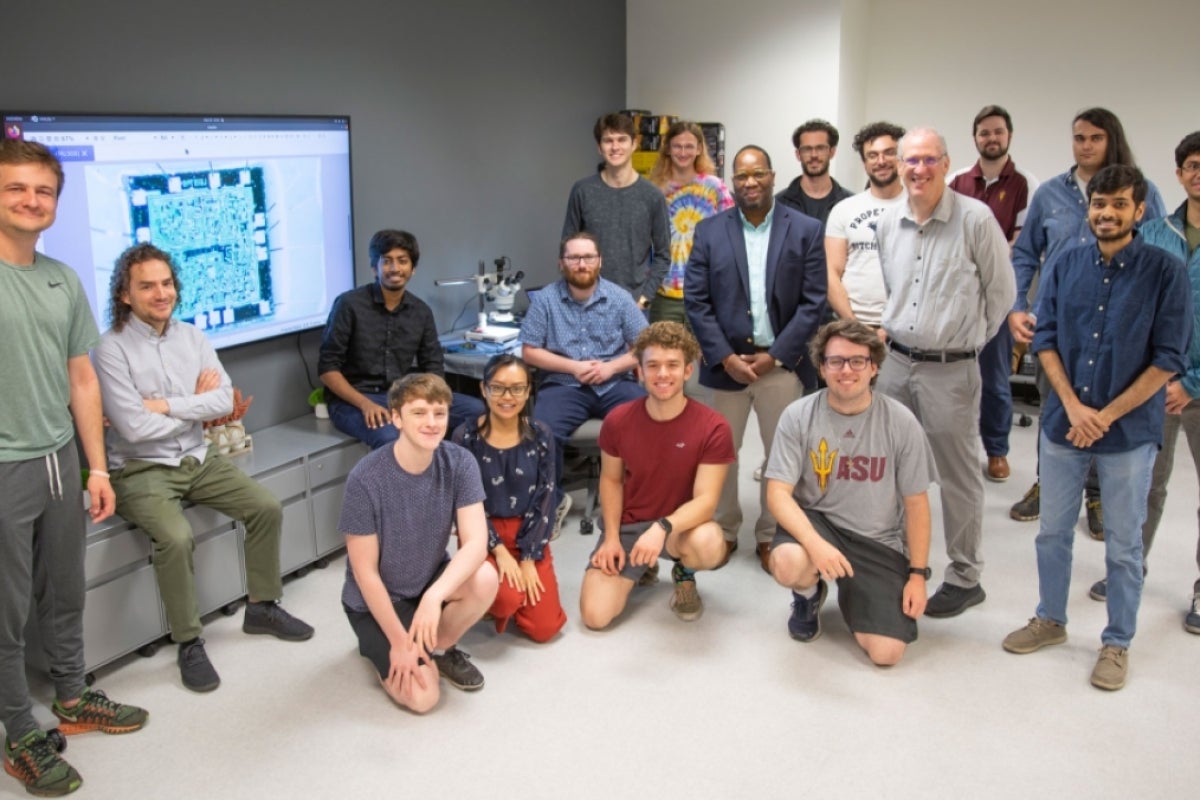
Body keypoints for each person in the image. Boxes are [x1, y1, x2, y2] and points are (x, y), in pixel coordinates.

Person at [1002, 165, 1191, 691]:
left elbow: (1168, 358)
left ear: (1140, 210)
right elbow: (1046, 341)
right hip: (1064, 426)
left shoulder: (1165, 271)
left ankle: (1117, 642)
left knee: (1125, 546)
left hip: (1128, 434)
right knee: (1052, 532)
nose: (1106, 212)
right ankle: (1050, 619)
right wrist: (1074, 407)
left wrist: (1105, 416)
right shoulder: (1065, 263)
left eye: (1118, 205)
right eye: (1098, 204)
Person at [95, 243, 314, 693]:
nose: (161, 293)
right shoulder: (110, 350)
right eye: (147, 286)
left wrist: (162, 405)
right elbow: (133, 428)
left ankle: (261, 606)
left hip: (199, 456)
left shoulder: (192, 336)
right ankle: (189, 641)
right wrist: (192, 406)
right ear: (124, 294)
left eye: (167, 283)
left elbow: (224, 402)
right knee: (176, 537)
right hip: (141, 469)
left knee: (266, 507)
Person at [0, 139, 146, 798]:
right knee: (5, 612)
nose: (32, 201)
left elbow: (81, 378)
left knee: (65, 592)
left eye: (44, 191)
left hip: (60, 459)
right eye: (16, 189)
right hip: (4, 467)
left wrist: (97, 469)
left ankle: (70, 696)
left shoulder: (61, 278)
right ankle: (16, 732)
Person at [875, 127, 1015, 618]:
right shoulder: (889, 222)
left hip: (950, 371)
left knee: (957, 477)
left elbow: (1002, 294)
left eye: (928, 160)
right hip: (895, 363)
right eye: (909, 160)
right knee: (889, 468)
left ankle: (964, 575)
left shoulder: (976, 220)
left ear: (946, 164)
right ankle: (895, 561)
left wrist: (964, 338)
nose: (918, 169)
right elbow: (895, 286)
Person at [1008, 108, 1167, 528]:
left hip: (1120, 326)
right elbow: (1025, 254)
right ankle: (1051, 481)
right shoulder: (1049, 195)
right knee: (1056, 406)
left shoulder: (1141, 190)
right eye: (1079, 137)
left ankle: (1096, 495)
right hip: (1056, 324)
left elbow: (1158, 257)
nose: (1086, 145)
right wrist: (1018, 304)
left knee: (1105, 410)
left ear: (1110, 139)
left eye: (1095, 137)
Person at [685, 145, 827, 572]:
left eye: (758, 174)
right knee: (722, 456)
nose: (749, 182)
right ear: (733, 181)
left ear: (772, 175)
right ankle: (725, 531)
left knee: (782, 458)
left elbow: (813, 302)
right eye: (741, 175)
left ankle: (772, 533)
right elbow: (697, 301)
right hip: (724, 369)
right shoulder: (710, 232)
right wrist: (725, 357)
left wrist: (777, 355)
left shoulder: (804, 229)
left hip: (781, 369)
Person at [765, 320, 936, 665]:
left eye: (857, 361)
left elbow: (917, 504)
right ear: (822, 367)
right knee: (786, 563)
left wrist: (917, 575)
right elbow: (777, 493)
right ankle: (808, 593)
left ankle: (856, 595)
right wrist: (815, 545)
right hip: (819, 523)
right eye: (836, 361)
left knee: (886, 654)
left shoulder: (901, 422)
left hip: (876, 539)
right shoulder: (798, 416)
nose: (847, 370)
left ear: (873, 367)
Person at [1085, 132, 1200, 634]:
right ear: (1177, 175)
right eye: (1191, 165)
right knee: (1145, 485)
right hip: (1154, 385)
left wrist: (1192, 382)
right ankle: (1130, 569)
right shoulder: (1153, 234)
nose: (1199, 173)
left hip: (1191, 385)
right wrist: (1160, 379)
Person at [340, 373, 498, 713]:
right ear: (396, 417)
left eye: (439, 413)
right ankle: (386, 644)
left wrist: (434, 596)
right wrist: (398, 643)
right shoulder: (365, 479)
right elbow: (365, 573)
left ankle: (438, 649)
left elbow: (475, 544)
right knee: (424, 698)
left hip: (427, 581)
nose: (431, 423)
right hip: (377, 600)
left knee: (485, 577)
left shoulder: (459, 462)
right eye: (419, 413)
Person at [579, 322, 734, 628]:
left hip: (679, 528)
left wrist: (662, 528)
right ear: (639, 371)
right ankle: (642, 566)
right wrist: (611, 538)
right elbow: (610, 480)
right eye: (653, 365)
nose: (662, 374)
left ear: (687, 371)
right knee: (595, 616)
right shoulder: (618, 420)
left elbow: (706, 501)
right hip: (631, 525)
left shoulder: (713, 427)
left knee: (709, 544)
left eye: (672, 365)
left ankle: (683, 573)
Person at [520, 232, 647, 519]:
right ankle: (549, 509)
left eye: (588, 257)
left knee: (648, 420)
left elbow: (645, 347)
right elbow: (529, 351)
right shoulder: (545, 301)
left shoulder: (619, 297)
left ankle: (640, 502)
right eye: (573, 257)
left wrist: (611, 367)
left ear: (599, 261)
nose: (581, 264)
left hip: (615, 382)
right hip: (564, 384)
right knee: (541, 431)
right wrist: (575, 367)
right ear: (561, 263)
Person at [319, 229, 484, 449]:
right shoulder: (349, 305)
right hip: (353, 400)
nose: (395, 268)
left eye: (402, 261)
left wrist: (434, 403)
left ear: (412, 269)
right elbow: (327, 369)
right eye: (387, 261)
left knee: (477, 412)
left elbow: (433, 365)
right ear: (374, 268)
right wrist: (365, 405)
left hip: (402, 395)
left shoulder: (420, 311)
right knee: (392, 438)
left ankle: (452, 473)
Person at [948, 105, 1039, 483]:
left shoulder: (1026, 183)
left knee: (995, 379)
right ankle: (950, 449)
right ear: (975, 138)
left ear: (1009, 136)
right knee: (950, 378)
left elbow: (1022, 243)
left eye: (998, 132)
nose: (991, 138)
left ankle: (997, 450)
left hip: (997, 297)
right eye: (984, 133)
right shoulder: (955, 181)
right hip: (956, 297)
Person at [451, 354, 566, 642]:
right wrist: (499, 552)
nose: (507, 396)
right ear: (483, 389)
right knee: (506, 599)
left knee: (545, 629)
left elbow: (546, 496)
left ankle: (500, 596)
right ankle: (491, 597)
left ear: (528, 391)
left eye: (517, 388)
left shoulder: (541, 434)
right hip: (481, 532)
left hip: (529, 531)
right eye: (498, 387)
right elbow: (466, 505)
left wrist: (528, 557)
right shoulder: (465, 437)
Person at [562, 112, 670, 308]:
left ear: (634, 144)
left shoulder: (652, 196)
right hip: (587, 302)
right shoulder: (583, 191)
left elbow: (663, 255)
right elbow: (567, 247)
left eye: (622, 139)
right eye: (608, 141)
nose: (615, 147)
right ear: (599, 147)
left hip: (633, 304)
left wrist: (644, 299)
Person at [646, 121, 734, 324]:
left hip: (706, 293)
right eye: (677, 146)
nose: (683, 152)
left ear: (699, 149)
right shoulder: (655, 190)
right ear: (667, 148)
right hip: (664, 292)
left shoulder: (714, 187)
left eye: (689, 146)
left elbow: (731, 236)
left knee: (705, 355)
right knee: (664, 355)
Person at [825, 121, 907, 327]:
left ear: (901, 158)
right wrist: (854, 325)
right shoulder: (844, 210)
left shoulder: (918, 208)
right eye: (872, 155)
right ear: (865, 163)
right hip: (852, 326)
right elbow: (830, 273)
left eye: (889, 153)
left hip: (905, 330)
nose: (881, 161)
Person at [776, 119, 853, 224]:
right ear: (798, 155)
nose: (814, 155)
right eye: (807, 149)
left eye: (820, 148)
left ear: (832, 152)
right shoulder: (778, 204)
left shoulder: (850, 203)